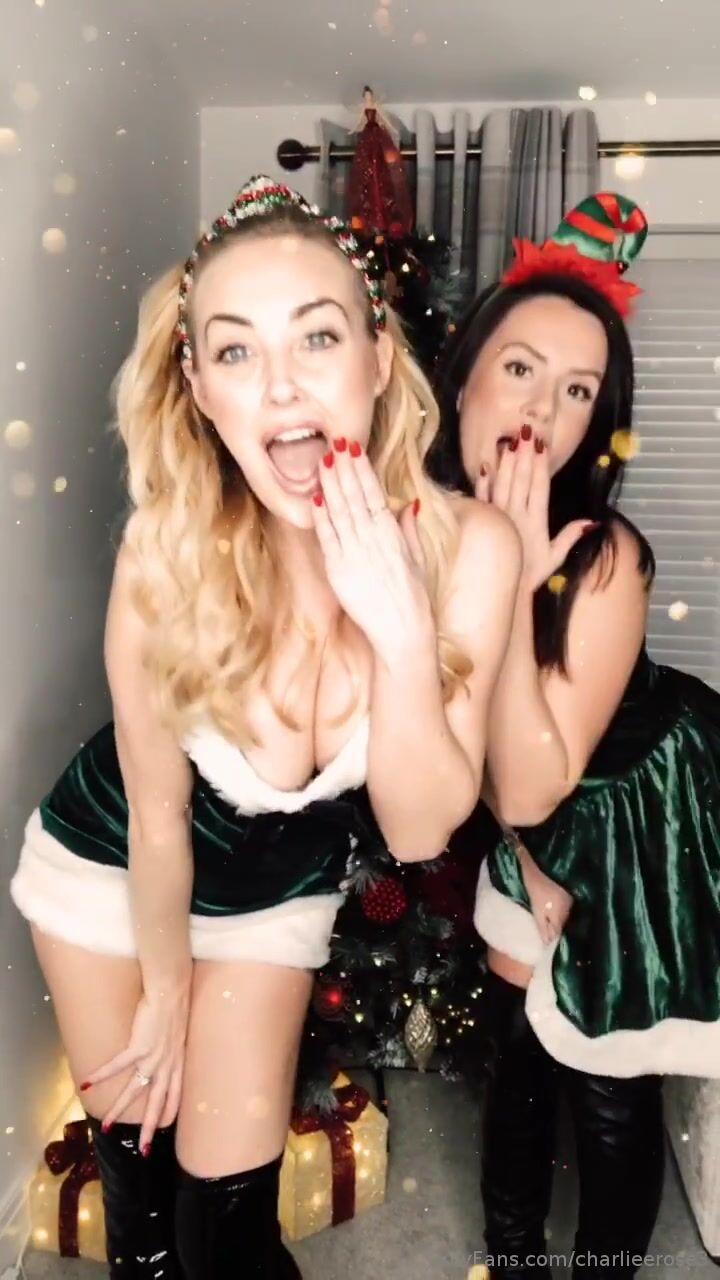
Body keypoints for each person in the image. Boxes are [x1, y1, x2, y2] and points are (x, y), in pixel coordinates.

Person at [11, 175, 521, 1278]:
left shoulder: (473, 548)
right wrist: (166, 994)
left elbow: (421, 827)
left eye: (318, 336)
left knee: (228, 1225)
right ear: (198, 388)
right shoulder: (164, 553)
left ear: (377, 359)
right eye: (236, 350)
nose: (282, 384)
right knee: (144, 1201)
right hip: (112, 867)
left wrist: (400, 634)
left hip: (273, 891)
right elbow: (156, 817)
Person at [428, 192, 720, 1280]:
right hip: (529, 802)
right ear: (464, 374)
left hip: (631, 803)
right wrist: (527, 859)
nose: (542, 410)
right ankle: (512, 1261)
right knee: (516, 1045)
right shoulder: (411, 528)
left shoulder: (606, 557)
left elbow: (534, 782)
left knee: (606, 1070)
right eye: (520, 368)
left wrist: (511, 583)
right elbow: (449, 748)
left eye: (579, 389)